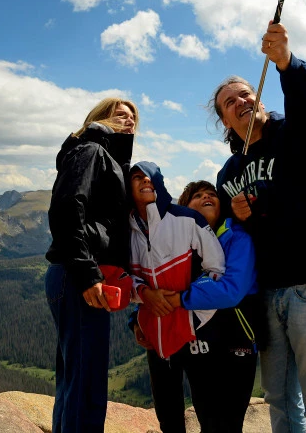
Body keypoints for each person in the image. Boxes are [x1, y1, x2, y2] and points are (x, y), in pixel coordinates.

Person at [211, 22, 306, 433]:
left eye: (245, 94)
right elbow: (227, 238)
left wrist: (288, 64)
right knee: (279, 399)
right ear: (224, 121)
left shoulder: (293, 137)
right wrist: (239, 219)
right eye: (228, 102)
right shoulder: (228, 173)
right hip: (268, 292)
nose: (240, 101)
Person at [45, 97, 138, 433]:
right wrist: (87, 274)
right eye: (120, 114)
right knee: (87, 384)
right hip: (79, 275)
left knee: (75, 379)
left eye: (133, 118)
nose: (129, 121)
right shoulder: (92, 151)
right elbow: (68, 209)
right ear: (100, 118)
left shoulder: (106, 159)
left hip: (75, 274)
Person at [126, 162, 227, 433]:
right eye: (137, 177)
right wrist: (138, 312)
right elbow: (125, 277)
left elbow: (217, 269)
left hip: (195, 330)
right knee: (167, 412)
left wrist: (191, 309)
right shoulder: (125, 229)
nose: (145, 181)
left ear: (159, 182)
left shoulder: (186, 219)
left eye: (150, 176)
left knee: (209, 410)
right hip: (155, 333)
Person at [174, 180, 262, 433]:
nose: (206, 197)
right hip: (198, 337)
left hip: (238, 335)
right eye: (198, 195)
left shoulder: (238, 237)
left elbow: (232, 291)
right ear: (185, 206)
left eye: (212, 194)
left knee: (230, 419)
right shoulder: (178, 243)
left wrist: (180, 296)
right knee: (206, 415)